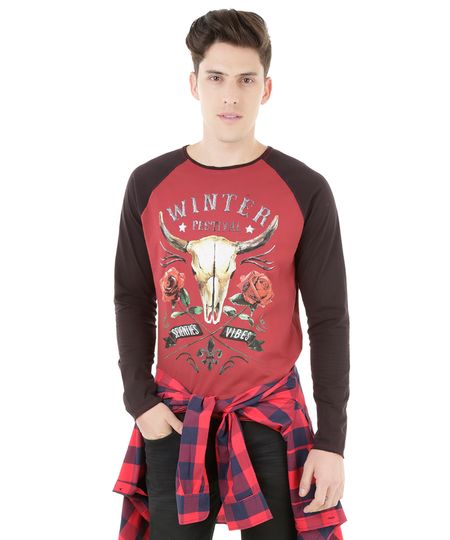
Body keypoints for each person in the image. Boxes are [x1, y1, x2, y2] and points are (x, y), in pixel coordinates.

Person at [112, 8, 350, 540]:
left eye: (246, 80)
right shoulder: (148, 183)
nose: (230, 96)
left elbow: (329, 319)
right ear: (194, 83)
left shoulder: (306, 188)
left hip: (270, 418)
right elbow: (131, 297)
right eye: (216, 78)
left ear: (266, 88)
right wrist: (140, 401)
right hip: (173, 418)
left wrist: (332, 441)